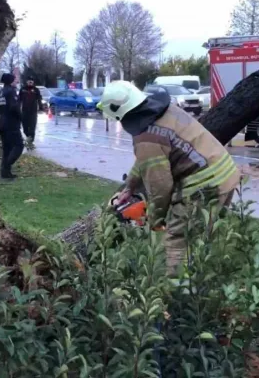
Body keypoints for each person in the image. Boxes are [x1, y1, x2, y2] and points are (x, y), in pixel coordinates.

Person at [98, 81, 241, 276]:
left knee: (176, 241)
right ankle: (208, 284)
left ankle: (177, 295)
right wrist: (129, 188)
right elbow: (146, 161)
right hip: (226, 175)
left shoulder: (147, 137)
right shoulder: (167, 111)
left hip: (203, 187)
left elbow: (160, 186)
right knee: (204, 237)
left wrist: (155, 219)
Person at [0, 73, 24, 179]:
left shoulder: (0, 92)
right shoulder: (11, 92)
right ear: (10, 81)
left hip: (2, 123)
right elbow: (14, 108)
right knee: (19, 146)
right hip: (11, 124)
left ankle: (5, 173)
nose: (16, 82)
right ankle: (7, 165)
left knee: (7, 149)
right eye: (15, 80)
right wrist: (22, 118)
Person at [18, 76, 42, 149]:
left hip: (33, 111)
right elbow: (19, 100)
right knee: (25, 127)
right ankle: (28, 137)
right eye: (29, 81)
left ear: (33, 82)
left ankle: (30, 141)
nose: (30, 82)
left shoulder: (36, 90)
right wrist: (17, 108)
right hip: (24, 111)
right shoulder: (22, 89)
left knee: (32, 127)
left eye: (31, 81)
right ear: (26, 82)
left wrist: (41, 107)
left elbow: (39, 99)